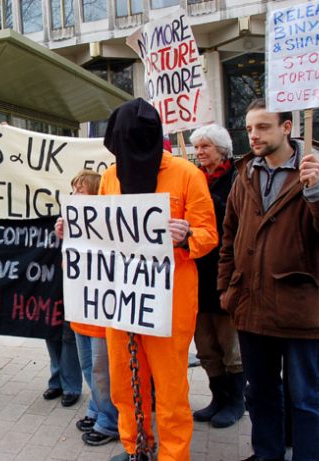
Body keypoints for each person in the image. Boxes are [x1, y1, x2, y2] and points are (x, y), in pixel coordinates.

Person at [218, 98, 319, 461]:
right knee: (260, 393)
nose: (253, 136)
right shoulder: (246, 173)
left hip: (299, 306)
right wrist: (226, 289)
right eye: (248, 129)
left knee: (304, 395)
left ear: (287, 128)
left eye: (262, 127)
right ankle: (267, 454)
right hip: (251, 306)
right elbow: (230, 235)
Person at [101, 98, 218, 461]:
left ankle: (172, 454)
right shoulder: (109, 176)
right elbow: (99, 232)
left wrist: (185, 238)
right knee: (123, 383)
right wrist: (71, 229)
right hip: (121, 301)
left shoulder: (186, 174)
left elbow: (208, 235)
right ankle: (135, 444)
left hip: (170, 304)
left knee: (170, 390)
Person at [55, 169, 119, 445]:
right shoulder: (73, 225)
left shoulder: (110, 228)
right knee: (88, 367)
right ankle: (97, 408)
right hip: (81, 309)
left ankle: (111, 421)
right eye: (73, 190)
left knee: (101, 370)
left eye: (80, 190)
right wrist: (64, 239)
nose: (75, 195)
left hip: (100, 313)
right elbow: (67, 267)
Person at [189, 124, 245, 428]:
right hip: (196, 276)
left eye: (205, 147)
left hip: (225, 274)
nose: (199, 153)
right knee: (206, 345)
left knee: (229, 344)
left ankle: (236, 401)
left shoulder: (236, 180)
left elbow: (236, 221)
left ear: (222, 150)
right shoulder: (193, 180)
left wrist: (208, 207)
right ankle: (217, 397)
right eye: (196, 148)